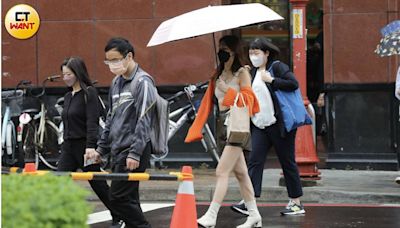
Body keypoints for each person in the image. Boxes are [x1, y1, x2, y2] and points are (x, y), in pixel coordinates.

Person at [185, 35, 262, 228]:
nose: (222, 52)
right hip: (222, 126)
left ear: (235, 51)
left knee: (221, 171)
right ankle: (254, 215)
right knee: (242, 174)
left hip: (237, 126)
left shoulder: (242, 72)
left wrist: (227, 90)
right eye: (220, 48)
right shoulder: (218, 74)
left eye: (226, 49)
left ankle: (211, 216)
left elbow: (249, 100)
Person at [85, 37, 155, 228]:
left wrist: (135, 152)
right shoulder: (116, 82)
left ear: (129, 56)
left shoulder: (143, 82)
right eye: (108, 61)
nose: (112, 65)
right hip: (118, 149)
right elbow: (110, 118)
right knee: (129, 199)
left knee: (117, 198)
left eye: (115, 60)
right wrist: (101, 149)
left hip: (133, 150)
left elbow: (144, 120)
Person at [231, 37, 305, 216]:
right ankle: (249, 201)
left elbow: (293, 84)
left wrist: (272, 80)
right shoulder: (253, 71)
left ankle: (296, 203)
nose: (253, 56)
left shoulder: (277, 67)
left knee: (287, 162)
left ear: (266, 53)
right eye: (251, 52)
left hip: (279, 125)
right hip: (260, 125)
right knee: (255, 161)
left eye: (256, 52)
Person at [58, 56, 123, 228]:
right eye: (63, 75)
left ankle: (119, 216)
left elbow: (92, 122)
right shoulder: (67, 96)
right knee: (58, 181)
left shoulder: (89, 93)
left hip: (86, 147)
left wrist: (90, 147)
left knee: (98, 184)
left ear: (78, 73)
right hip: (68, 147)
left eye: (69, 74)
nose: (65, 78)